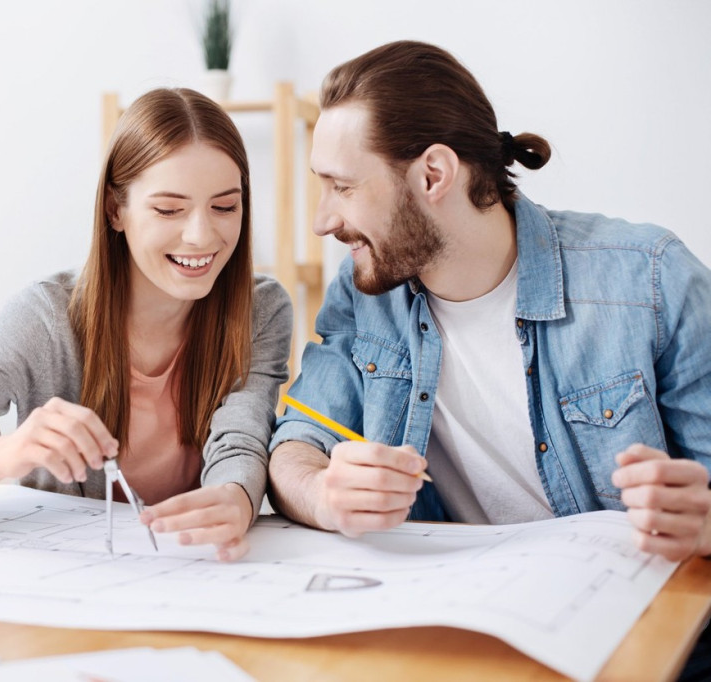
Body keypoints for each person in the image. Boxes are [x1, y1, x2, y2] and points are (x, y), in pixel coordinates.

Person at [267, 41, 709, 678]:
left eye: (341, 187)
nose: (321, 220)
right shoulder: (367, 291)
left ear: (434, 175)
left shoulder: (652, 281)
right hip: (459, 646)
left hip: (644, 654)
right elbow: (297, 439)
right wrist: (323, 491)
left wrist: (703, 523)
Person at [0, 88, 292, 562]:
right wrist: (9, 452)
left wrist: (236, 498)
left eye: (225, 207)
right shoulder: (42, 318)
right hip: (65, 575)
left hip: (191, 570)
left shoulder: (261, 310)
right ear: (116, 210)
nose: (202, 235)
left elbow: (241, 439)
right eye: (168, 209)